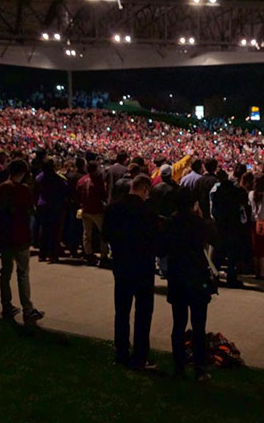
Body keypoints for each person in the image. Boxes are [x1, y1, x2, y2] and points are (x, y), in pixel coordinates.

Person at [102, 175, 158, 370]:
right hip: (143, 267)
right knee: (143, 313)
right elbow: (156, 241)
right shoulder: (148, 210)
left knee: (122, 310)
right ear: (144, 189)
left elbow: (106, 235)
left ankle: (121, 351)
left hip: (122, 265)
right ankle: (140, 355)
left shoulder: (114, 208)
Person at [161, 188, 215, 381]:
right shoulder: (199, 223)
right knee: (199, 326)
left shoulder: (170, 222)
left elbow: (162, 249)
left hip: (177, 275)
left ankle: (179, 366)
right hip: (197, 276)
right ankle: (199, 368)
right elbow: (212, 238)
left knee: (178, 323)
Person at [0, 159, 45, 324]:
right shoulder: (23, 190)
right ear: (23, 173)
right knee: (22, 274)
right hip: (20, 236)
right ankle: (27, 310)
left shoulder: (1, 188)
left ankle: (7, 305)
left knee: (5, 272)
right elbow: (30, 210)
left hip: (5, 236)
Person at [34, 158, 69, 263]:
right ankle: (52, 255)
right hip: (54, 206)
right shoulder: (58, 178)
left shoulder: (39, 178)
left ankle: (42, 254)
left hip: (42, 205)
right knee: (54, 231)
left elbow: (35, 191)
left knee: (44, 229)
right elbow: (65, 190)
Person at [77, 160, 109, 264]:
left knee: (86, 234)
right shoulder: (97, 181)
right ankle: (104, 255)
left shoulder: (81, 180)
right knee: (103, 233)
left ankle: (88, 253)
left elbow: (77, 194)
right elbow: (103, 195)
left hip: (85, 210)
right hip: (96, 210)